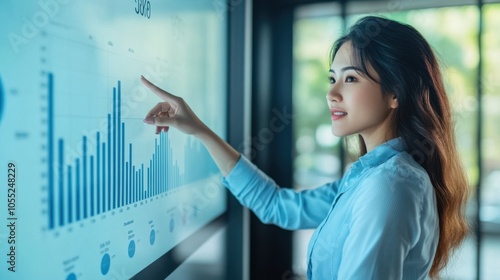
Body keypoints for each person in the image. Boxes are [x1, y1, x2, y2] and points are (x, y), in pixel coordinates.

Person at [142, 16, 469, 280]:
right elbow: (277, 205)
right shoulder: (370, 177)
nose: (332, 93)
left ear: (396, 92)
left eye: (351, 79)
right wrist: (200, 130)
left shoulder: (390, 184)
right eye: (332, 79)